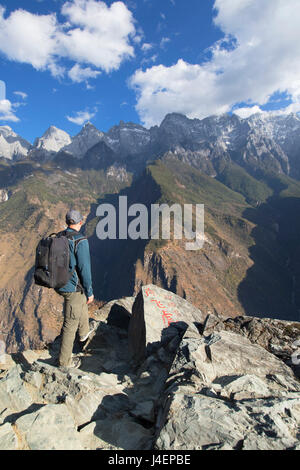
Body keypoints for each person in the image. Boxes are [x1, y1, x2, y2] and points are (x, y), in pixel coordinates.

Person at [55, 209, 95, 369]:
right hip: (71, 286)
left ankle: (84, 332)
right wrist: (90, 291)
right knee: (70, 323)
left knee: (80, 299)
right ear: (81, 222)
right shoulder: (80, 240)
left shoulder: (59, 236)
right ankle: (64, 362)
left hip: (59, 283)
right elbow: (85, 269)